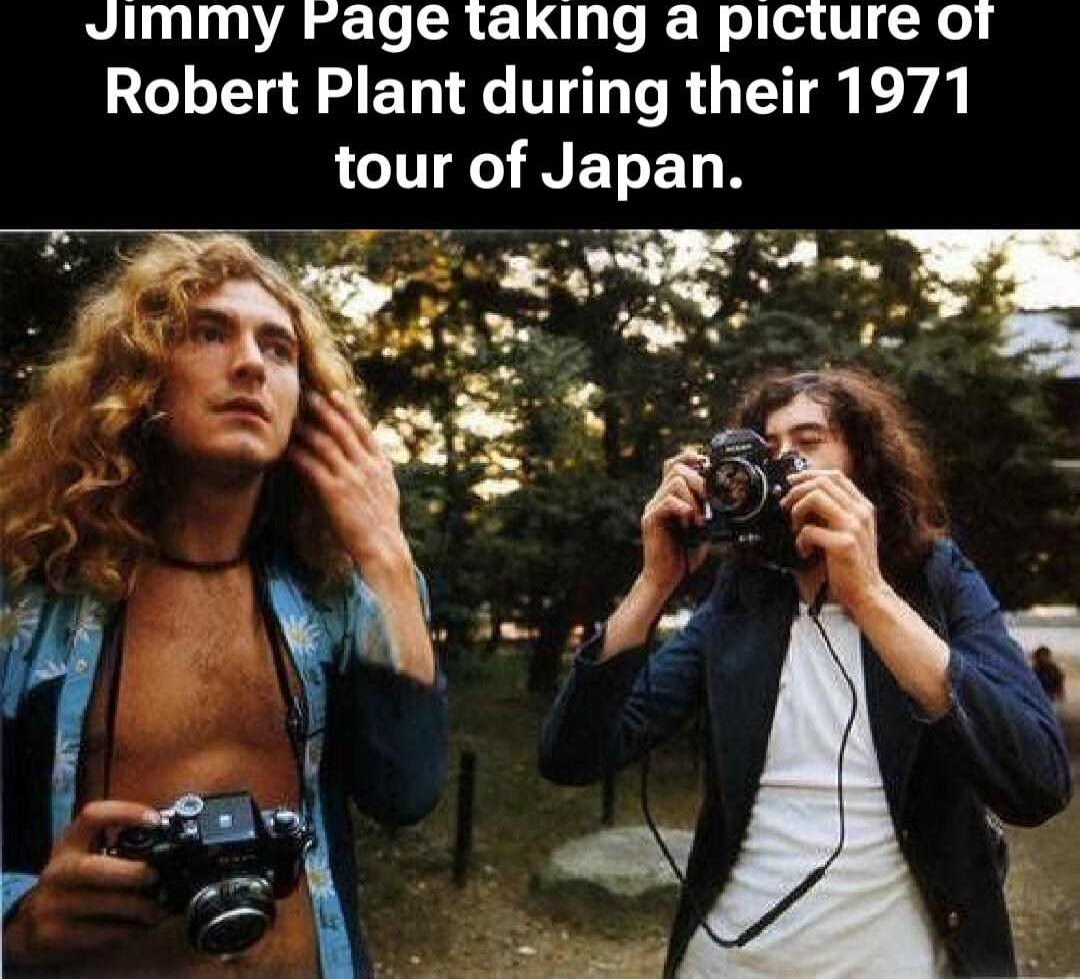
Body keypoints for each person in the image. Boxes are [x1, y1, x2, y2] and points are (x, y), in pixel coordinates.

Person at [0, 234, 447, 978]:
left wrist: (388, 556)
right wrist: (18, 922)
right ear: (138, 375)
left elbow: (406, 791)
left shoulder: (338, 592)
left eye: (278, 349)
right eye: (210, 332)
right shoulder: (30, 596)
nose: (249, 363)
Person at [540, 368, 1072, 978]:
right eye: (768, 450)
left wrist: (870, 596)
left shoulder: (936, 581)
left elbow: (1037, 781)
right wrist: (654, 582)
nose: (784, 462)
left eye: (810, 440)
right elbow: (572, 756)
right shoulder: (742, 599)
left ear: (862, 465)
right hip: (726, 964)